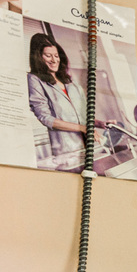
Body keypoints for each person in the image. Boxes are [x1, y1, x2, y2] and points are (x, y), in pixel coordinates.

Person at [26, 33, 92, 170]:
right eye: (48, 56)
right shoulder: (34, 79)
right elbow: (46, 118)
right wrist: (82, 128)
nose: (54, 60)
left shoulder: (69, 80)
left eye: (56, 56)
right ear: (38, 57)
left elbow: (80, 115)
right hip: (67, 152)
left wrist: (99, 123)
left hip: (88, 147)